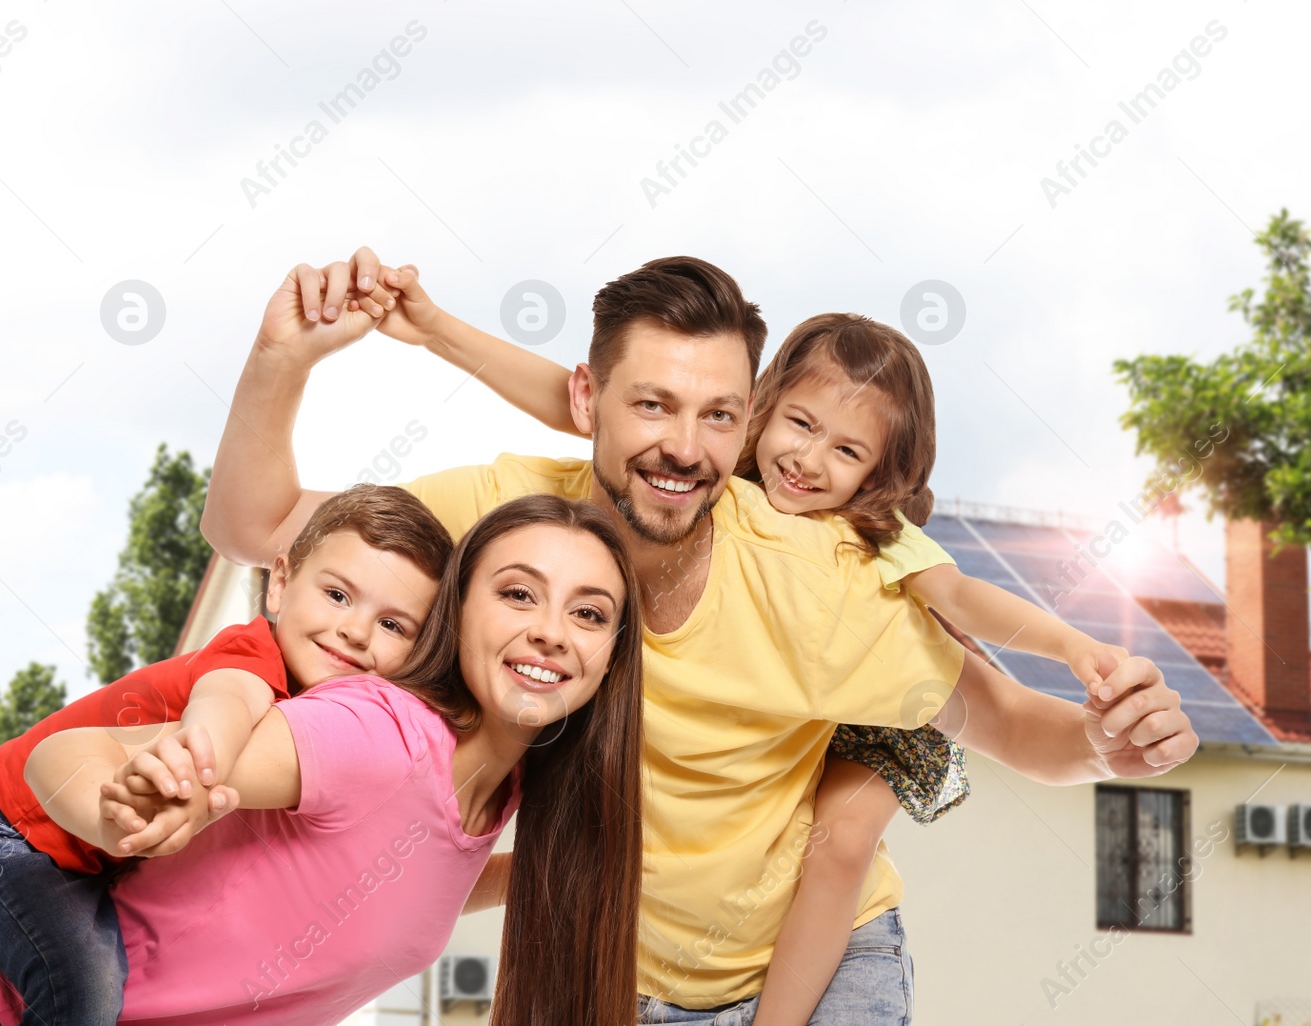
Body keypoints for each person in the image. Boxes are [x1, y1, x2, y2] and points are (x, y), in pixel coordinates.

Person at [200, 247, 1200, 1024]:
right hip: (615, 978)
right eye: (653, 406)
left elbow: (1006, 719)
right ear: (588, 401)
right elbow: (254, 526)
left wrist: (1107, 740)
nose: (685, 447)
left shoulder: (817, 586)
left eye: (718, 415)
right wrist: (277, 361)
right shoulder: (505, 525)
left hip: (821, 972)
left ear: (746, 421)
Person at [0, 493, 645, 1026]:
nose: (552, 632)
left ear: (613, 653)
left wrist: (578, 873)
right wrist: (147, 795)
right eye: (519, 593)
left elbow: (413, 869)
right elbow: (69, 751)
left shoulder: (506, 787)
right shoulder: (369, 732)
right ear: (459, 617)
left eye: (588, 613)